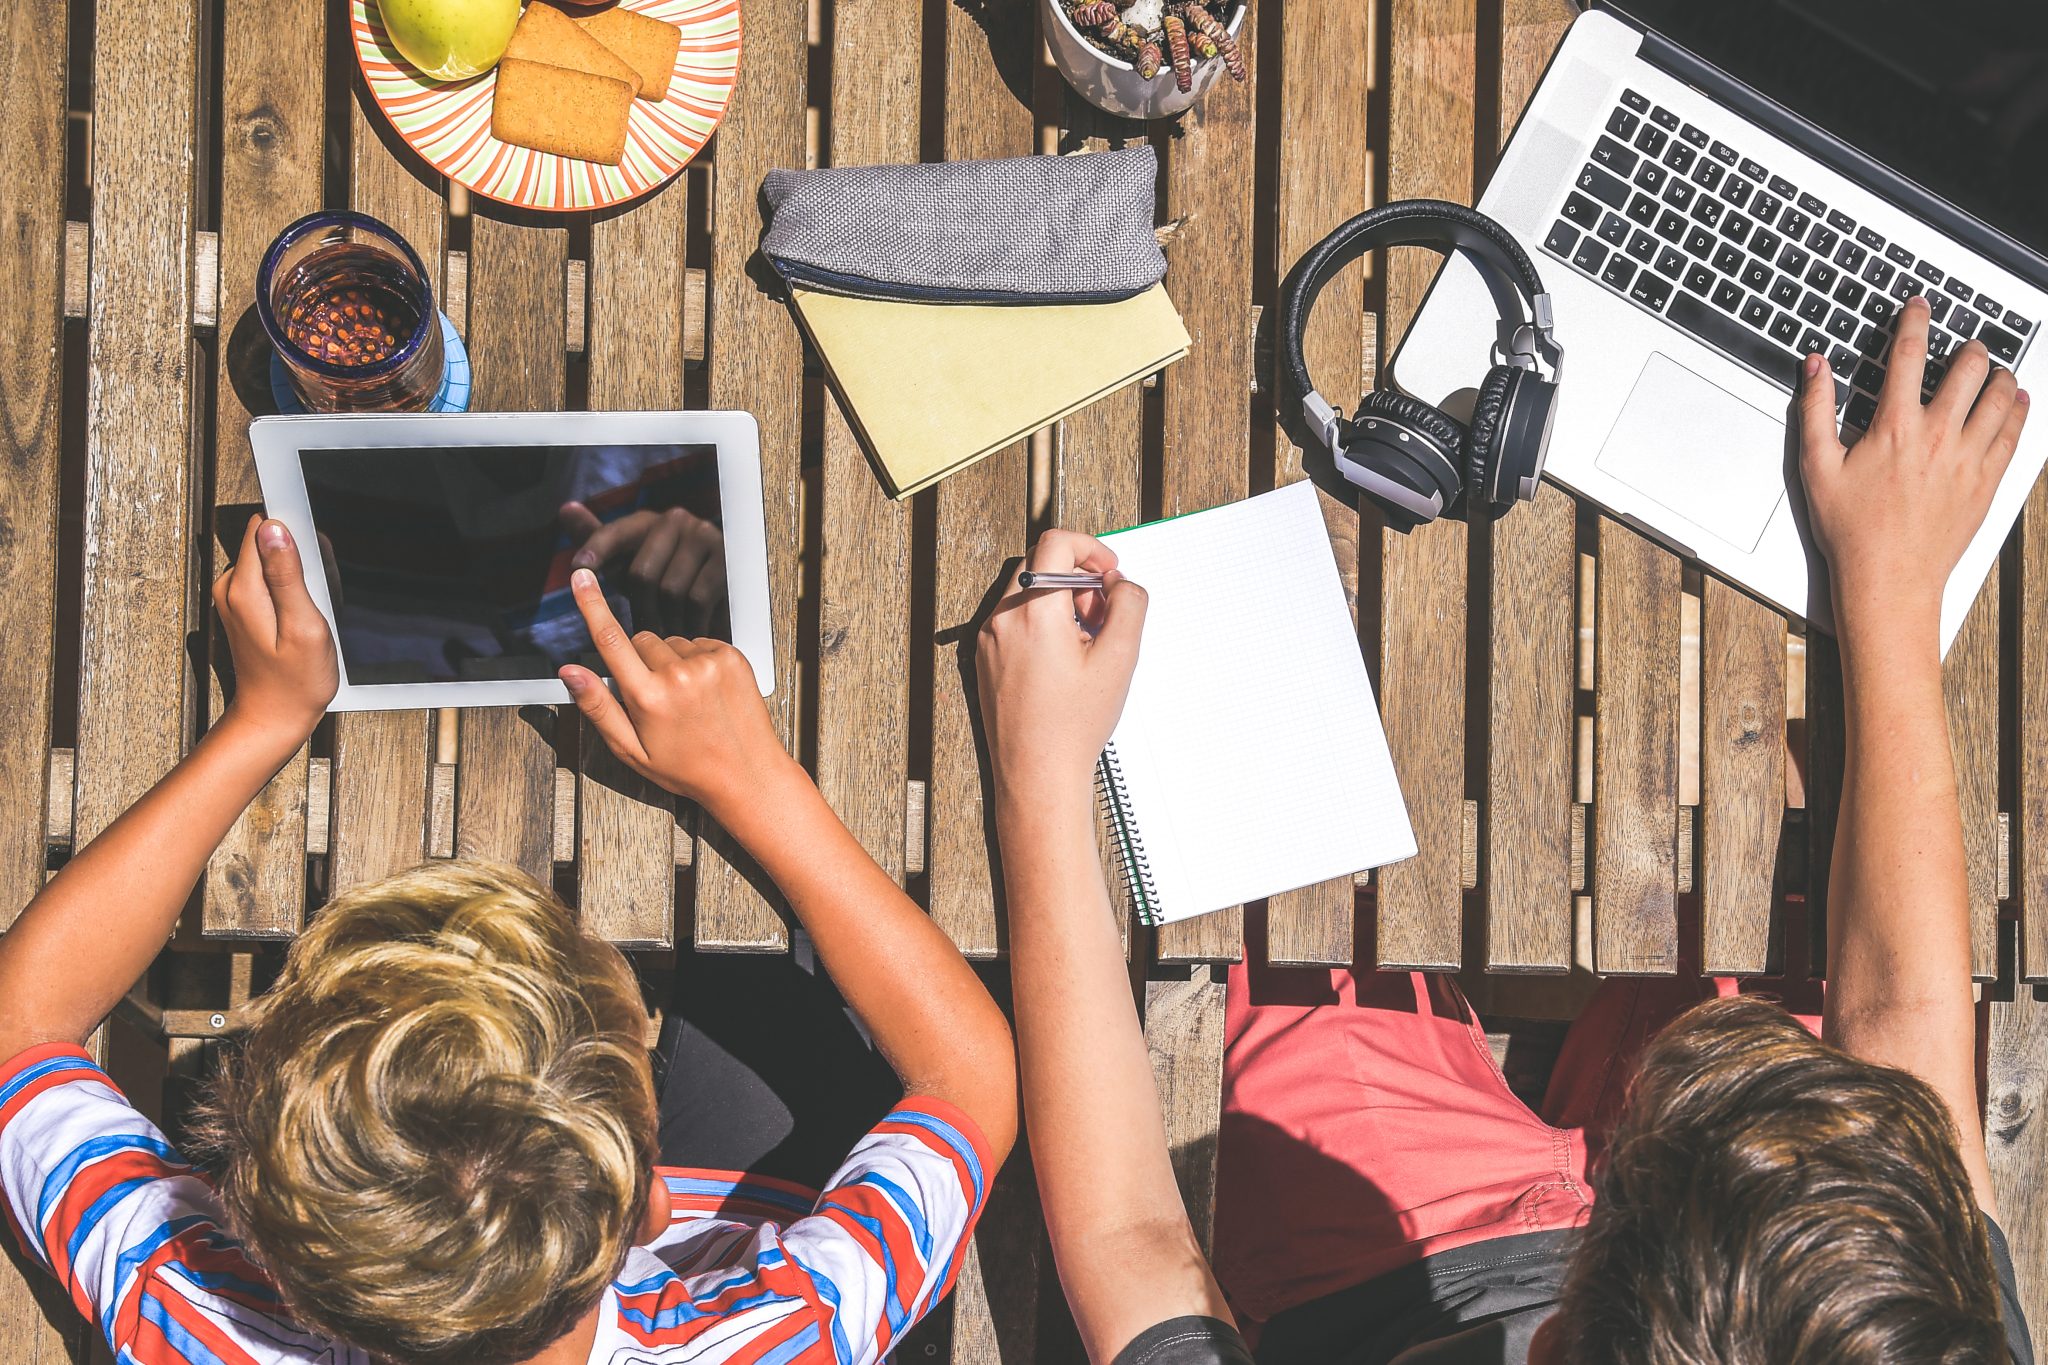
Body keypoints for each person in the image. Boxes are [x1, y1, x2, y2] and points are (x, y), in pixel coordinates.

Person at [975, 295, 2033, 1364]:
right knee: (1774, 887)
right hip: (1736, 1257)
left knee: (1269, 923)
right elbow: (1902, 1023)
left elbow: (1132, 1239)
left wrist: (1040, 776)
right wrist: (1891, 590)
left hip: (1382, 1280)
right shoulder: (1901, 1334)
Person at [0, 528, 1015, 1365]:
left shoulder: (209, 1326)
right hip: (722, 1207)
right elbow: (967, 1081)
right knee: (791, 999)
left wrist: (260, 720)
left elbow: (21, 1026)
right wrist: (754, 783)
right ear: (651, 1200)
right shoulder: (780, 1335)